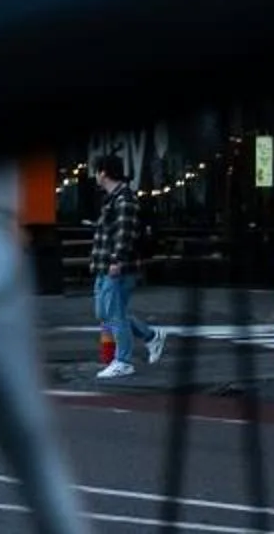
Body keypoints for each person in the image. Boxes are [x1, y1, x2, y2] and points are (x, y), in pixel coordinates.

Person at [91, 152, 167, 380]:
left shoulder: (124, 200)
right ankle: (151, 336)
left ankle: (123, 361)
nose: (95, 176)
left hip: (117, 267)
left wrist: (117, 260)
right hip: (105, 265)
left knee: (114, 315)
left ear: (103, 173)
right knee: (106, 313)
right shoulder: (113, 198)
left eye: (96, 171)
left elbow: (126, 234)